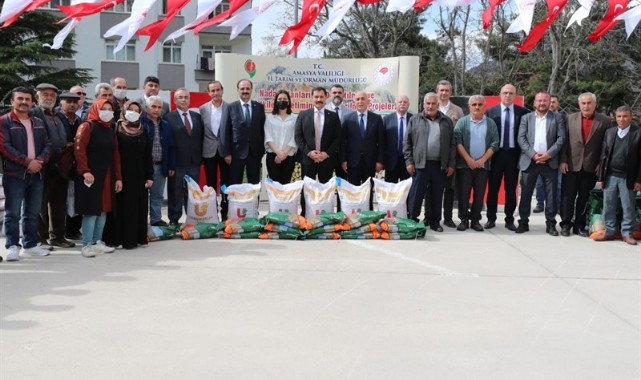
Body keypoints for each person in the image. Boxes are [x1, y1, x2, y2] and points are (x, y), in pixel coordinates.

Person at [0, 87, 53, 261]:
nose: (24, 102)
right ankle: (12, 245)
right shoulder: (4, 122)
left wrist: (39, 161)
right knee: (12, 213)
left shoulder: (37, 121)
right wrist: (27, 162)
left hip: (37, 174)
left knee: (32, 212)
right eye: (20, 99)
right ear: (12, 102)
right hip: (14, 174)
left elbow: (48, 144)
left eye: (27, 99)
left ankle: (30, 244)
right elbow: (5, 147)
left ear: (32, 102)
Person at [559, 92, 612, 237]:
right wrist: (563, 160)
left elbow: (605, 146)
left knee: (584, 197)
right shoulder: (569, 118)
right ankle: (565, 223)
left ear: (595, 104)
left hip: (591, 166)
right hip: (571, 164)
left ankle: (580, 225)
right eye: (583, 103)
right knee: (567, 196)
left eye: (589, 103)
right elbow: (563, 142)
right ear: (579, 105)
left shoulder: (605, 121)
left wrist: (601, 164)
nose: (586, 106)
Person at [74, 99, 122, 257]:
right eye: (104, 108)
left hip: (107, 175)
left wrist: (118, 178)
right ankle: (86, 244)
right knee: (91, 209)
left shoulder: (110, 130)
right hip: (91, 175)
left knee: (103, 209)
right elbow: (79, 149)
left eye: (110, 109)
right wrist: (85, 171)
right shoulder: (87, 126)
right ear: (95, 109)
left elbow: (115, 156)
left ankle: (97, 241)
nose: (108, 111)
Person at [102, 101, 153, 249]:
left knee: (138, 207)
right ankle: (118, 239)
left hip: (139, 175)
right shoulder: (116, 128)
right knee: (122, 207)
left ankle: (137, 238)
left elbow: (147, 155)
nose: (133, 112)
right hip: (121, 175)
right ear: (124, 110)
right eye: (130, 109)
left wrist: (150, 176)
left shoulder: (142, 129)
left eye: (137, 110)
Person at [516, 92, 566, 236]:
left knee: (551, 196)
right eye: (539, 101)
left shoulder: (557, 118)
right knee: (525, 194)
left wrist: (548, 154)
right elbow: (521, 138)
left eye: (545, 101)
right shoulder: (526, 118)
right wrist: (533, 155)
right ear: (534, 103)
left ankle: (550, 224)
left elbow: (561, 138)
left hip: (549, 162)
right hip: (530, 162)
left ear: (550, 102)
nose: (542, 103)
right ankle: (523, 222)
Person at [33, 83, 76, 250]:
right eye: (45, 94)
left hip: (61, 168)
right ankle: (40, 239)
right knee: (40, 205)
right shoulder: (34, 114)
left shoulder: (59, 116)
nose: (49, 98)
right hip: (44, 166)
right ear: (37, 97)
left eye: (52, 95)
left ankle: (57, 237)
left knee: (59, 204)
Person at [405, 92, 456, 231]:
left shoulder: (446, 121)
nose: (430, 106)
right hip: (420, 164)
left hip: (439, 165)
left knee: (437, 194)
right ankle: (413, 219)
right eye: (428, 103)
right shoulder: (415, 120)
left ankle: (434, 221)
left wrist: (451, 164)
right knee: (416, 194)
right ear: (423, 104)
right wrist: (409, 162)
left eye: (433, 103)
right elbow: (407, 142)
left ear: (438, 105)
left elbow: (452, 144)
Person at [484, 84, 529, 231]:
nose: (508, 95)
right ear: (500, 94)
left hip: (513, 155)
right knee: (493, 188)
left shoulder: (523, 113)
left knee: (511, 189)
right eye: (505, 93)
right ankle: (491, 218)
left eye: (511, 93)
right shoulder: (490, 112)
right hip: (495, 155)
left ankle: (509, 219)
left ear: (515, 95)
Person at [595, 106, 641, 245]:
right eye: (619, 116)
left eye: (625, 116)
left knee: (628, 206)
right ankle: (609, 231)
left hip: (629, 177)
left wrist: (639, 179)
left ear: (630, 117)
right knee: (608, 204)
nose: (621, 119)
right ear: (615, 117)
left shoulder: (638, 133)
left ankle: (627, 233)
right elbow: (603, 156)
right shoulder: (610, 132)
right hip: (610, 176)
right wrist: (601, 178)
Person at [453, 95, 499, 232]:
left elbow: (495, 143)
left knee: (479, 194)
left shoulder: (490, 123)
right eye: (474, 105)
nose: (477, 107)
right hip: (464, 165)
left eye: (480, 104)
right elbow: (458, 141)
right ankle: (463, 220)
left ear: (484, 106)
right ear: (469, 107)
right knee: (464, 194)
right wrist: (468, 160)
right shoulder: (462, 122)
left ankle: (475, 220)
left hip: (483, 166)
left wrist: (482, 160)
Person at [294, 86, 341, 216]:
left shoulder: (333, 116)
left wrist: (326, 154)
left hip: (327, 160)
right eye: (316, 97)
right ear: (312, 98)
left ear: (326, 97)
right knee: (307, 190)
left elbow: (338, 138)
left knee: (326, 190)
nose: (319, 99)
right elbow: (298, 137)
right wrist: (309, 152)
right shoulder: (303, 115)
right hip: (308, 160)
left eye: (321, 97)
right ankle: (305, 215)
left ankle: (325, 215)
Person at [164, 88, 203, 225]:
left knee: (192, 192)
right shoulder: (168, 117)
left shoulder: (197, 116)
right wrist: (169, 163)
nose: (183, 100)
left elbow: (200, 138)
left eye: (186, 97)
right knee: (175, 191)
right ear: (175, 100)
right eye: (180, 97)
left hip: (194, 162)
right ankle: (174, 219)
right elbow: (167, 142)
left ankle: (192, 217)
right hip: (176, 162)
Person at [428, 80, 464, 228]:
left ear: (450, 92)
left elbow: (459, 134)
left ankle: (448, 217)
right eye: (441, 90)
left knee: (449, 188)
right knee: (430, 188)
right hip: (432, 157)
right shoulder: (429, 106)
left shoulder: (458, 111)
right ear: (437, 91)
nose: (443, 93)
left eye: (446, 90)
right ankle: (428, 216)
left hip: (450, 156)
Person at [341, 91, 385, 209]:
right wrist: (343, 160)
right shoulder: (347, 118)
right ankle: (354, 216)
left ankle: (369, 215)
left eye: (363, 99)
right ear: (354, 102)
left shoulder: (376, 118)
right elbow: (343, 142)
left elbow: (381, 142)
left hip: (369, 162)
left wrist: (380, 161)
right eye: (358, 99)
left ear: (368, 101)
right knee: (353, 192)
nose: (360, 101)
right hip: (352, 162)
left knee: (368, 191)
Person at [221, 79, 266, 185]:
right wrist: (226, 153)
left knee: (254, 184)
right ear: (238, 90)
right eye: (242, 88)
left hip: (254, 153)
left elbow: (262, 130)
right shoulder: (230, 107)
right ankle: (235, 202)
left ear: (251, 90)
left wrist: (261, 150)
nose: (245, 91)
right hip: (236, 154)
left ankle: (254, 202)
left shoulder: (259, 107)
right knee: (235, 183)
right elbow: (225, 131)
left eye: (247, 88)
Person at [142, 96, 175, 226]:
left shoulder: (165, 125)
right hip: (145, 167)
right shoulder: (141, 123)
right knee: (143, 196)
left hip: (161, 165)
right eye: (153, 107)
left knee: (157, 195)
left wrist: (171, 165)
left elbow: (171, 146)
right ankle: (141, 221)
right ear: (146, 108)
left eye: (159, 107)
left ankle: (156, 219)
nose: (156, 110)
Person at [200, 80, 230, 220]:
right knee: (211, 183)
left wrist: (229, 151)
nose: (215, 93)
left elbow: (232, 132)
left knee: (225, 183)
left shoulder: (230, 108)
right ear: (209, 93)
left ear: (222, 91)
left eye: (218, 90)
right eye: (212, 91)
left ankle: (225, 212)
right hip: (209, 151)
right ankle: (212, 212)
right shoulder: (203, 109)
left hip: (225, 152)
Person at [56, 91, 84, 240]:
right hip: (59, 165)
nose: (72, 104)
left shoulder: (80, 121)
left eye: (75, 102)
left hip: (76, 164)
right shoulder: (56, 119)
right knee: (60, 200)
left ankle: (73, 230)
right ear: (61, 103)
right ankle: (59, 232)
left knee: (76, 197)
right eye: (68, 101)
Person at [327, 84, 356, 211]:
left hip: (343, 156)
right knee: (326, 186)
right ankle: (326, 211)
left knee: (343, 187)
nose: (337, 95)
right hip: (327, 155)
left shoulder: (350, 112)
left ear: (343, 94)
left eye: (339, 92)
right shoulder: (324, 109)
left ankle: (341, 212)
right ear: (330, 94)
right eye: (334, 92)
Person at [534, 94, 564, 213]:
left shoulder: (561, 118)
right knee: (539, 184)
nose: (551, 104)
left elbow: (561, 138)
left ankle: (555, 205)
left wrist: (550, 153)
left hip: (553, 158)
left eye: (554, 102)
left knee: (557, 185)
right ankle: (540, 203)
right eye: (549, 102)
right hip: (537, 157)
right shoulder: (533, 117)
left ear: (558, 104)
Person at [264, 89, 297, 184]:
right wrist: (278, 153)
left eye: (284, 99)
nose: (282, 100)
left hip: (289, 156)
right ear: (275, 101)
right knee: (274, 186)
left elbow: (294, 137)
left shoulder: (294, 118)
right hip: (272, 156)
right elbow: (268, 136)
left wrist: (284, 154)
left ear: (289, 101)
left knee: (286, 185)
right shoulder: (269, 117)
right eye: (279, 98)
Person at [383, 95, 413, 183]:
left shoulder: (414, 119)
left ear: (408, 105)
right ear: (395, 104)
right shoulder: (386, 119)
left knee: (406, 190)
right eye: (400, 102)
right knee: (390, 190)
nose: (402, 104)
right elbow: (382, 142)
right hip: (391, 162)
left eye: (405, 102)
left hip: (407, 162)